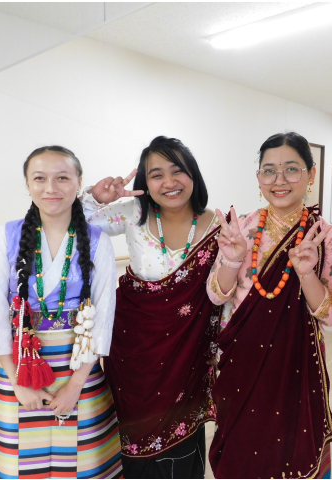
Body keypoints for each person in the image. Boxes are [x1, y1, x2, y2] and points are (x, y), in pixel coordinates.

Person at [205, 132, 332, 479]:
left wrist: (306, 274)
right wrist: (232, 259)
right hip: (241, 361)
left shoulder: (326, 236)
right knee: (242, 451)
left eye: (291, 169)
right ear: (258, 178)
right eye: (269, 170)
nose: (279, 180)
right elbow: (216, 296)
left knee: (293, 450)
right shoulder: (242, 227)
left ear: (311, 175)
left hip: (297, 364)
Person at [83, 136, 220, 478]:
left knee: (182, 448)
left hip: (188, 354)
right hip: (134, 353)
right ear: (146, 182)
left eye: (178, 171)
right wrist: (95, 198)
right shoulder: (134, 212)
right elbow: (77, 228)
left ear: (193, 174)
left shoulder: (219, 225)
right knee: (133, 441)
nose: (169, 182)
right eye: (157, 175)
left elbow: (227, 293)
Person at [0, 146, 122, 479]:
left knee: (82, 464)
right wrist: (18, 384)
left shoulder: (98, 242)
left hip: (80, 369)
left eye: (62, 178)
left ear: (79, 183)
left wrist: (75, 386)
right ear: (27, 184)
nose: (51, 188)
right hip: (20, 368)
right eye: (39, 178)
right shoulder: (5, 237)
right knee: (20, 463)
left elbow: (102, 319)